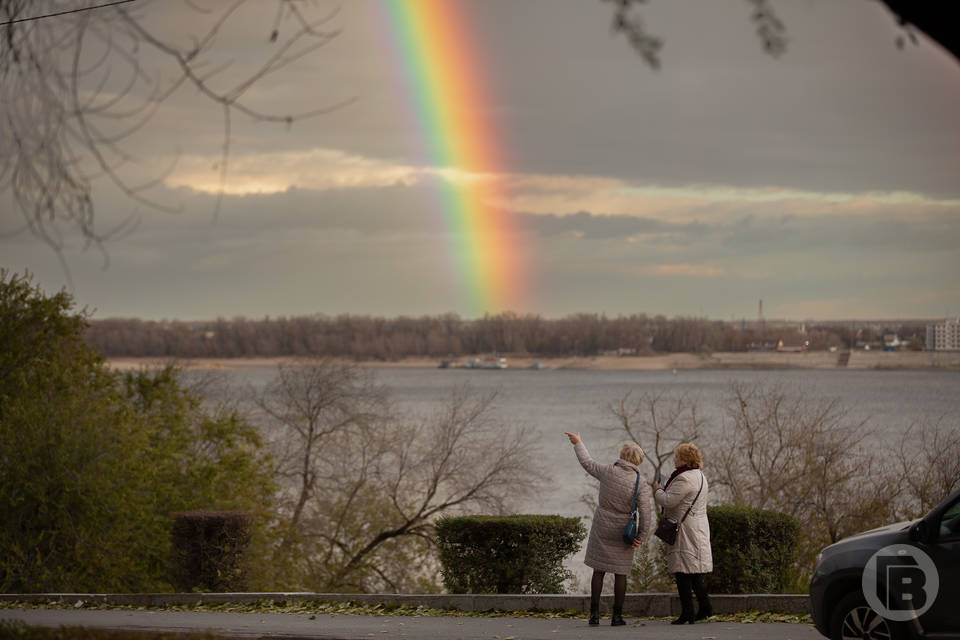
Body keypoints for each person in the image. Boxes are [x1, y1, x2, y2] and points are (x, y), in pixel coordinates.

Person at [564, 431, 651, 626]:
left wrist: (578, 443)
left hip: (602, 525)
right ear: (638, 460)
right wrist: (641, 535)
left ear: (622, 455)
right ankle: (617, 616)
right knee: (621, 573)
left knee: (599, 570)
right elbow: (646, 512)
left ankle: (594, 615)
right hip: (623, 531)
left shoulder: (608, 471)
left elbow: (587, 462)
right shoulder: (641, 483)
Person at [653, 442, 713, 625]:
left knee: (682, 572)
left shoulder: (684, 479)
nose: (674, 459)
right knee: (694, 573)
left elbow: (668, 501)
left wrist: (657, 490)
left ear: (685, 460)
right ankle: (705, 608)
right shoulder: (700, 476)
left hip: (685, 529)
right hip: (698, 526)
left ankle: (688, 613)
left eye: (677, 456)